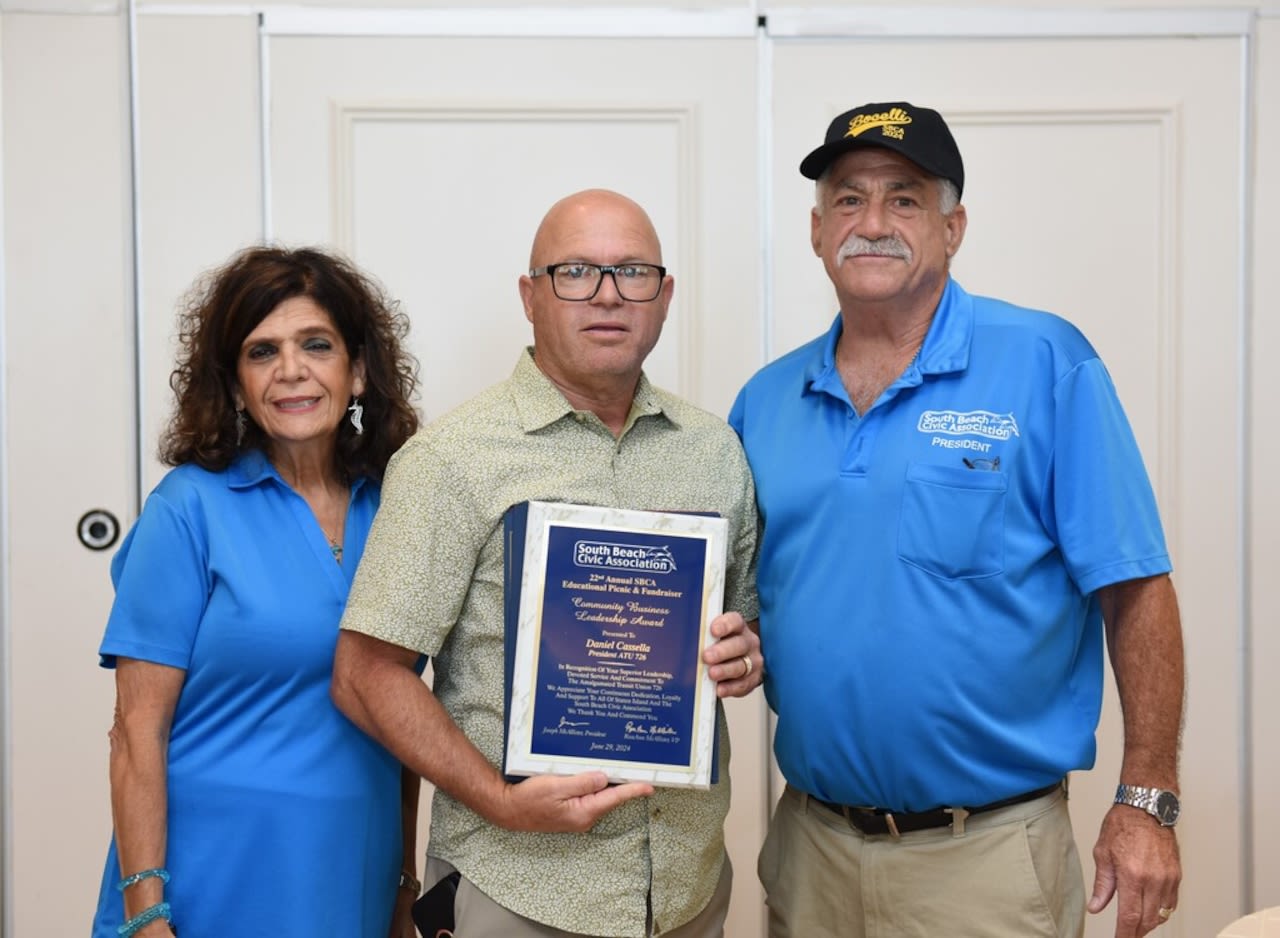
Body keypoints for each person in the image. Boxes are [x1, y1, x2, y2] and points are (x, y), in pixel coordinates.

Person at [729, 102, 1185, 938]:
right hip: (812, 852)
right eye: (848, 199)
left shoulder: (1047, 362)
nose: (872, 223)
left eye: (903, 199)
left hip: (988, 861)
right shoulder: (764, 403)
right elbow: (756, 603)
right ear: (816, 228)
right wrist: (735, 642)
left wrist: (1146, 800)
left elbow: (1136, 587)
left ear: (953, 227)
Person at [330, 188, 762, 938]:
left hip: (689, 892)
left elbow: (741, 631)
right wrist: (497, 797)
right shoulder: (452, 458)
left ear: (664, 298)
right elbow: (365, 675)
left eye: (633, 273)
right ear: (530, 297)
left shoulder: (713, 449)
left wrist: (742, 655)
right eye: (575, 273)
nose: (607, 295)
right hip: (521, 889)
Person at [91, 246, 422, 938]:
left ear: (358, 370)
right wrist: (146, 917)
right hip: (209, 882)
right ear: (237, 386)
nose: (291, 371)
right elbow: (136, 733)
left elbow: (402, 717)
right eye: (262, 352)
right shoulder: (188, 510)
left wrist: (403, 886)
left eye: (316, 345)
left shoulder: (399, 511)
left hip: (350, 878)